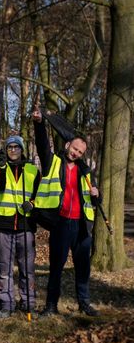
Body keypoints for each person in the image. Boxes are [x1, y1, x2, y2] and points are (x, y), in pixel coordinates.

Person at [32, 109, 101, 317]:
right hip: (61, 223)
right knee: (56, 268)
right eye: (75, 149)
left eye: (81, 152)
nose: (77, 154)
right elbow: (42, 144)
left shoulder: (85, 171)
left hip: (82, 226)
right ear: (68, 145)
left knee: (83, 269)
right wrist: (38, 124)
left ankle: (84, 303)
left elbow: (96, 200)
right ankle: (51, 306)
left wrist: (97, 195)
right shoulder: (52, 162)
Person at [0, 136, 40, 316]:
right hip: (3, 225)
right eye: (10, 147)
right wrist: (2, 168)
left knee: (27, 269)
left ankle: (28, 302)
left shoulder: (32, 170)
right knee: (4, 269)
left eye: (16, 147)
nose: (13, 150)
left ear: (22, 149)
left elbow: (40, 193)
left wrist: (33, 203)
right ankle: (6, 303)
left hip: (25, 226)